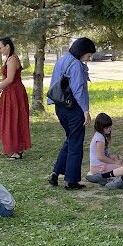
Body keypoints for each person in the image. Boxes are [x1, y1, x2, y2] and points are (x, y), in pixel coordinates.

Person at [48, 37, 96, 189]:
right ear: (81, 51)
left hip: (60, 106)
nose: (89, 58)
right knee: (75, 143)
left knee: (70, 139)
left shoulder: (62, 60)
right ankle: (71, 180)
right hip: (73, 108)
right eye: (88, 55)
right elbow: (79, 90)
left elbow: (54, 84)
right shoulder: (75, 65)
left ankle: (56, 173)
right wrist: (86, 111)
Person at [0, 37, 31, 159]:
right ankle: (10, 147)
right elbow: (5, 80)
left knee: (14, 119)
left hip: (15, 93)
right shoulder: (8, 59)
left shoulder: (12, 59)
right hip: (8, 92)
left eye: (0, 47)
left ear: (7, 46)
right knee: (5, 119)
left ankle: (16, 150)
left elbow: (10, 79)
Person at [85, 113, 123, 183]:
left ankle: (107, 174)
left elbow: (103, 154)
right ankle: (101, 176)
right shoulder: (100, 138)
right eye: (106, 128)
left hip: (99, 165)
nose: (109, 129)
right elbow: (101, 157)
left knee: (118, 160)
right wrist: (115, 162)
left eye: (110, 127)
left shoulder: (100, 135)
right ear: (100, 128)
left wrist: (114, 159)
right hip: (99, 167)